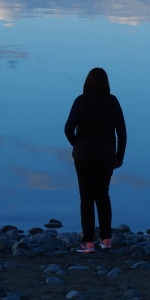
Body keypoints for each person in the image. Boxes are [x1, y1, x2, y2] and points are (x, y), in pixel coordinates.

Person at [64, 67, 126, 251]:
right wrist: (119, 156)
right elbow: (122, 133)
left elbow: (68, 128)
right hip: (107, 156)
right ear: (106, 83)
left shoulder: (81, 101)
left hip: (84, 156)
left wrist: (76, 144)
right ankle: (106, 239)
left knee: (86, 197)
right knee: (103, 195)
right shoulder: (113, 101)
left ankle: (88, 241)